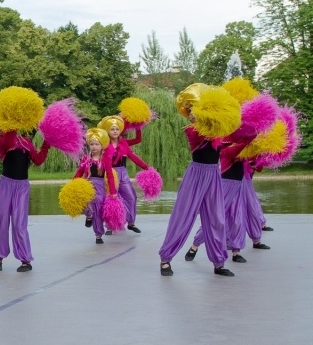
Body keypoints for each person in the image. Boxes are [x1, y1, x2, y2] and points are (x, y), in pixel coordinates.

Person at [158, 84, 238, 277]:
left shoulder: (219, 131)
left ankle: (219, 263)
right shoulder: (192, 131)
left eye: (194, 108)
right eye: (189, 109)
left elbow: (248, 133)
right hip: (196, 175)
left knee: (216, 219)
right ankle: (165, 259)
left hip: (213, 176)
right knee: (183, 216)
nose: (191, 113)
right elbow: (208, 133)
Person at [0, 129, 49, 272]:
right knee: (1, 222)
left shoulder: (27, 142)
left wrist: (47, 143)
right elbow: (6, 141)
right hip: (5, 185)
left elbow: (38, 160)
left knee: (19, 224)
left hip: (21, 187)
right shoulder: (4, 140)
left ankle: (25, 260)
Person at [97, 116, 149, 234]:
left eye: (116, 129)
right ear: (107, 131)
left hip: (123, 173)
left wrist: (138, 126)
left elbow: (137, 142)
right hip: (109, 174)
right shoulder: (104, 145)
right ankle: (110, 226)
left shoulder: (124, 143)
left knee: (131, 197)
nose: (115, 131)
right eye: (112, 129)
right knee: (111, 199)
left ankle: (131, 223)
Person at [74, 128, 118, 244]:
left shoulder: (105, 160)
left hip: (100, 187)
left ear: (102, 145)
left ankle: (98, 234)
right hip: (88, 185)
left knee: (98, 209)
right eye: (92, 144)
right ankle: (88, 215)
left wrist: (113, 192)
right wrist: (74, 183)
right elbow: (79, 172)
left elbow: (110, 175)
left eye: (96, 144)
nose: (94, 147)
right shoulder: (86, 159)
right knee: (86, 204)